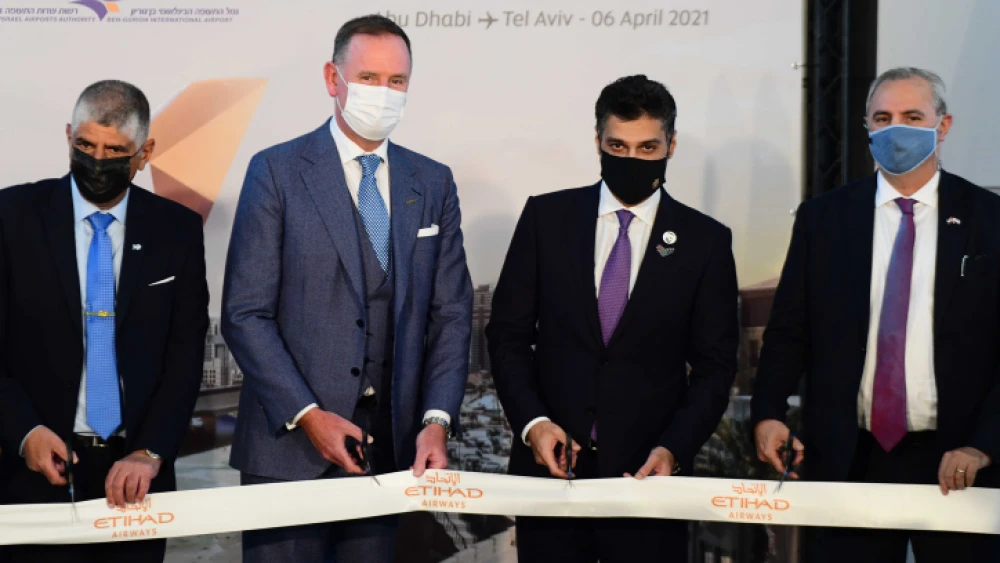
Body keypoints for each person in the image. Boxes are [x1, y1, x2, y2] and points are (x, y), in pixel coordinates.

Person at [222, 14, 473, 563]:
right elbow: (245, 313)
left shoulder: (432, 182)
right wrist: (309, 415)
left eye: (397, 82)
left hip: (387, 453)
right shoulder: (277, 171)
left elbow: (451, 315)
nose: (382, 94)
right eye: (368, 78)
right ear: (333, 78)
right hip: (286, 455)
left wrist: (436, 422)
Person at [751, 67, 1000, 562]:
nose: (895, 129)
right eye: (882, 118)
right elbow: (788, 331)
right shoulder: (823, 218)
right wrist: (768, 414)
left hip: (960, 459)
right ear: (866, 127)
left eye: (912, 116)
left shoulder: (989, 219)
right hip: (851, 454)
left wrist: (984, 446)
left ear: (943, 125)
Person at [487, 75, 739, 563]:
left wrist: (674, 449)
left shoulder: (705, 241)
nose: (632, 160)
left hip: (649, 482)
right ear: (597, 142)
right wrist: (535, 424)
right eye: (617, 146)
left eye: (648, 148)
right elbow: (508, 337)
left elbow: (714, 368)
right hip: (550, 479)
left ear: (671, 145)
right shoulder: (546, 219)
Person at [0, 80, 209, 562]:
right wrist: (26, 432)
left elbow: (184, 355)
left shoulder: (176, 230)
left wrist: (151, 452)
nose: (97, 161)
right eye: (85, 145)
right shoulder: (13, 217)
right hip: (32, 472)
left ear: (145, 152)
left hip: (136, 480)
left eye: (114, 150)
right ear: (69, 135)